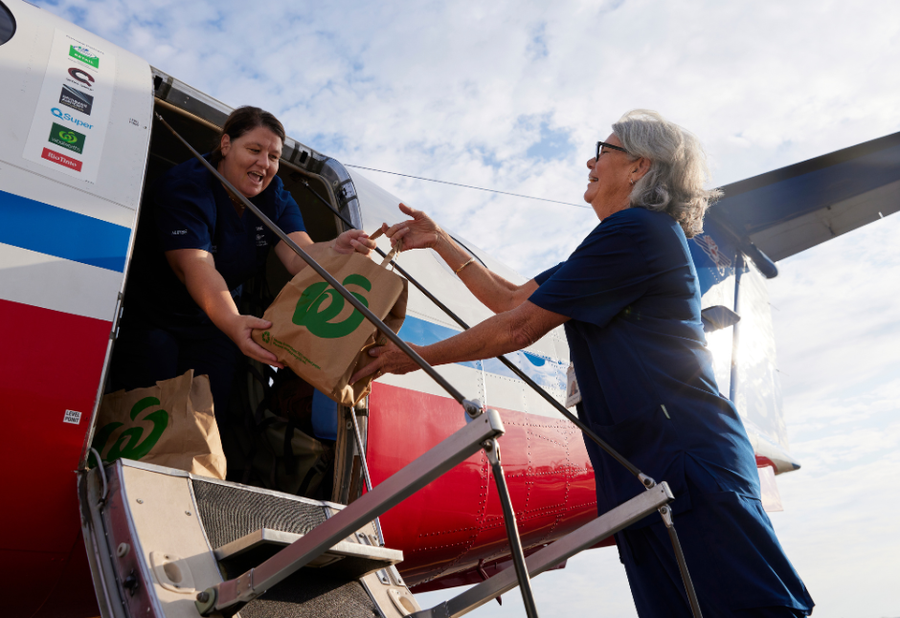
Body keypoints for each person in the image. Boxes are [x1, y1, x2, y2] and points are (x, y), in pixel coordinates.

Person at [353, 110, 814, 617]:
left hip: (687, 465)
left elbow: (517, 329)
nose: (590, 161)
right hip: (644, 471)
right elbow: (508, 300)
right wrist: (439, 241)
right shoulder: (614, 243)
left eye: (605, 149)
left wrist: (408, 357)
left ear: (639, 167)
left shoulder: (638, 231)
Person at [110, 106, 374, 420]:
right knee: (149, 411)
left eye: (274, 157)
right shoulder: (186, 187)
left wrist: (334, 250)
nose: (264, 163)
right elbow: (196, 265)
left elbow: (298, 254)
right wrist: (234, 322)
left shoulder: (276, 198)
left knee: (206, 416)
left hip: (213, 328)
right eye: (254, 150)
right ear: (225, 145)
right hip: (156, 318)